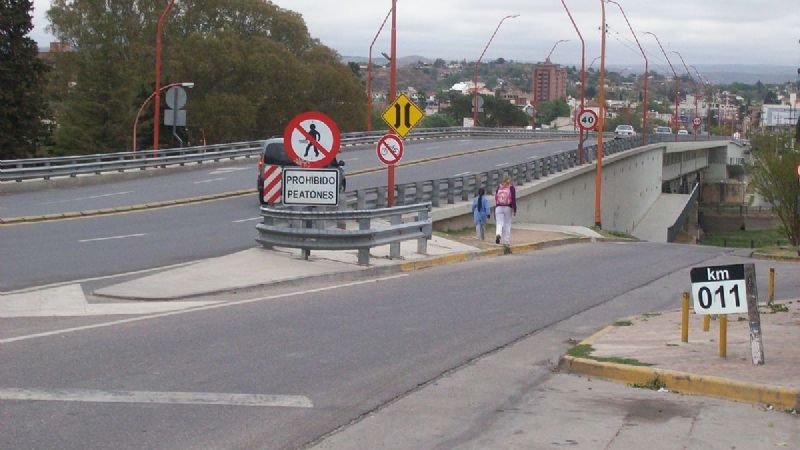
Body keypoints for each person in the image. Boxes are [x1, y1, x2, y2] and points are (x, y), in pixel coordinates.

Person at [494, 174, 516, 245]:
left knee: (499, 223)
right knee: (507, 224)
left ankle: (498, 234)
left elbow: (496, 198)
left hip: (498, 207)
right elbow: (513, 199)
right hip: (507, 207)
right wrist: (514, 209)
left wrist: (496, 206)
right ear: (509, 180)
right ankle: (506, 241)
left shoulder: (499, 187)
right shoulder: (511, 188)